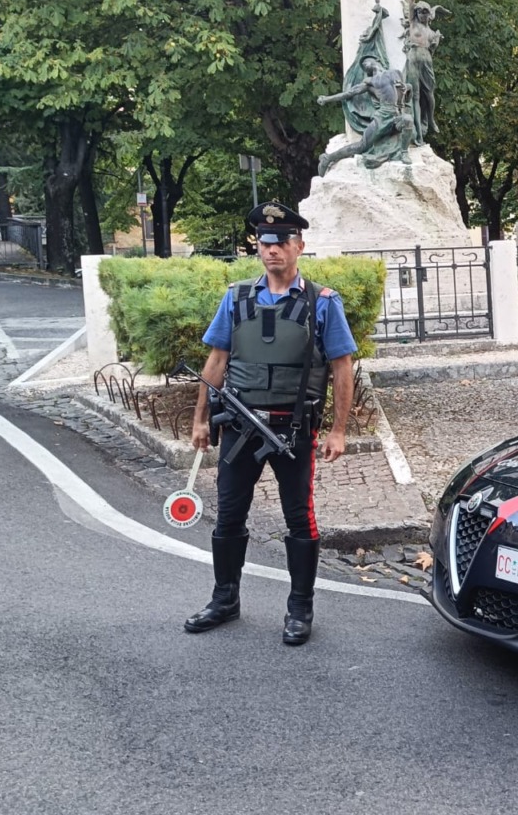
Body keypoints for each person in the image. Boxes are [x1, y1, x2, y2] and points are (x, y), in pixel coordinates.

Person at [184, 201, 358, 646]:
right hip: (239, 427)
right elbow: (217, 360)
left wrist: (338, 430)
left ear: (299, 246)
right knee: (229, 514)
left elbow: (342, 367)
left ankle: (300, 607)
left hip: (293, 430)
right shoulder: (236, 297)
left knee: (299, 518)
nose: (272, 249)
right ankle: (224, 599)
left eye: (282, 241)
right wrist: (200, 419)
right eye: (265, 242)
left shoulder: (322, 302)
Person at [316, 57, 414, 174]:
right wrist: (327, 99)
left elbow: (407, 95)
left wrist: (408, 88)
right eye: (363, 65)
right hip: (382, 118)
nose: (365, 65)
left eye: (366, 61)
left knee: (408, 119)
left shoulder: (395, 73)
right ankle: (328, 158)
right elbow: (349, 93)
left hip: (397, 116)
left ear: (377, 60)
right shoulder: (369, 82)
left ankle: (404, 153)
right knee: (361, 146)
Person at [403, 1, 447, 145]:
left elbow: (432, 51)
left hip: (426, 61)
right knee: (415, 96)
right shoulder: (412, 24)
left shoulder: (432, 33)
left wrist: (435, 43)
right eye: (419, 12)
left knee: (429, 93)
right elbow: (411, 1)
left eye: (424, 12)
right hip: (413, 60)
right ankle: (418, 134)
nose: (421, 15)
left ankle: (430, 119)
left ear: (429, 15)